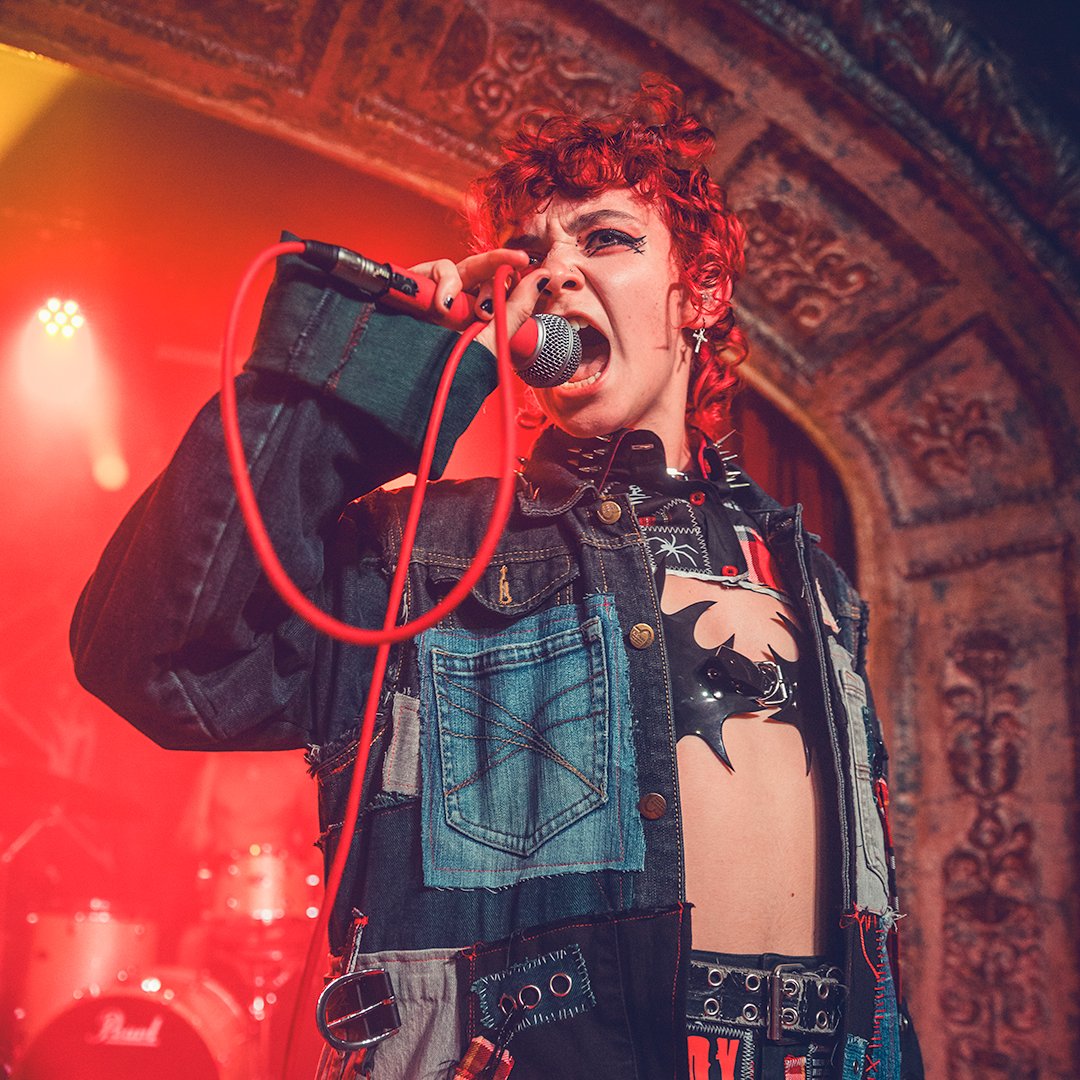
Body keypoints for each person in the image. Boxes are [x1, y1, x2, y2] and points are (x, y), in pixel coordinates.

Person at [71, 76, 920, 1080]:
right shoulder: (418, 556)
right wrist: (379, 360)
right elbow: (155, 659)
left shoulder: (810, 577)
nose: (554, 272)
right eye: (531, 253)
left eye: (604, 239)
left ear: (699, 296)